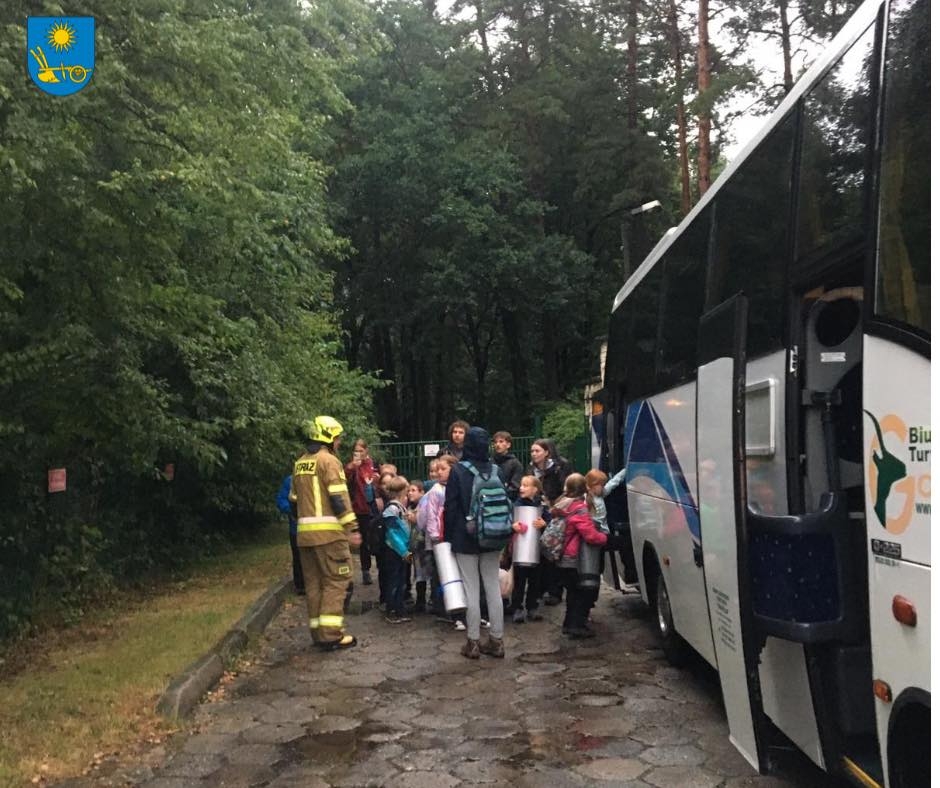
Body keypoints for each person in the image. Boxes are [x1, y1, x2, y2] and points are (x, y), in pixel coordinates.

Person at [290, 416, 361, 651]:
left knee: (314, 584)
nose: (339, 442)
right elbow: (338, 497)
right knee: (337, 580)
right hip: (329, 536)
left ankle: (318, 633)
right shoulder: (329, 461)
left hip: (304, 536)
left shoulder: (300, 462)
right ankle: (331, 634)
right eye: (337, 437)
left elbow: (293, 502)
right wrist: (351, 528)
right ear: (328, 437)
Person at [444, 426, 507, 658]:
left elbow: (450, 507)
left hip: (465, 536)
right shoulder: (497, 470)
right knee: (492, 586)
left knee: (471, 588)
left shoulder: (459, 471)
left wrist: (448, 538)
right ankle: (497, 640)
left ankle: (472, 642)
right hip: (493, 535)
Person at [551, 473, 624, 639]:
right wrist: (607, 539)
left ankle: (569, 624)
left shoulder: (563, 504)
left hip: (562, 556)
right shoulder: (579, 509)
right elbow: (590, 535)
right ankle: (577, 625)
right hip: (574, 558)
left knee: (571, 593)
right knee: (580, 593)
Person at [528, 439, 572, 606]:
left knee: (554, 553)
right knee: (540, 551)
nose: (534, 454)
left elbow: (567, 489)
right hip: (539, 510)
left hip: (557, 510)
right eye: (532, 451)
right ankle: (541, 589)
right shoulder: (532, 469)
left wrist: (555, 505)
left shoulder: (560, 467)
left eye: (537, 451)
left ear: (547, 452)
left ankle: (555, 590)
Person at [507, 475, 548, 623]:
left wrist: (544, 524)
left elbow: (549, 524)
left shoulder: (542, 506)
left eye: (526, 485)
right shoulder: (516, 505)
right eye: (521, 485)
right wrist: (514, 527)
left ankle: (532, 607)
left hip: (537, 551)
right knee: (519, 581)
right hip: (520, 551)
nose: (521, 488)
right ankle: (517, 607)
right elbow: (511, 521)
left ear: (535, 489)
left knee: (535, 581)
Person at [344, 439, 378, 586]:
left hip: (370, 506)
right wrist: (352, 467)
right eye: (356, 451)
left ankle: (369, 568)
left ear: (366, 451)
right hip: (355, 507)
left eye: (361, 451)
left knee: (369, 539)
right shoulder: (350, 467)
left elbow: (378, 480)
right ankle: (357, 571)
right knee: (356, 540)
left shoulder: (371, 465)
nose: (359, 454)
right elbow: (343, 480)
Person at [381, 476, 413, 624]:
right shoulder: (392, 509)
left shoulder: (399, 507)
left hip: (399, 550)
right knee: (395, 580)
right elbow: (392, 533)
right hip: (394, 551)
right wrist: (403, 551)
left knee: (400, 580)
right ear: (401, 492)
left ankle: (398, 608)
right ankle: (392, 610)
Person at [276, 472, 304, 595]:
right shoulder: (291, 480)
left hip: (317, 529)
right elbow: (281, 500)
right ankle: (301, 585)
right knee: (298, 557)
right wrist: (292, 511)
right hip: (296, 528)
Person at [493, 431, 524, 501]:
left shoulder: (515, 463)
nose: (497, 444)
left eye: (501, 442)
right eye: (495, 442)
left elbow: (515, 486)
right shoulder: (490, 462)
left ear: (508, 445)